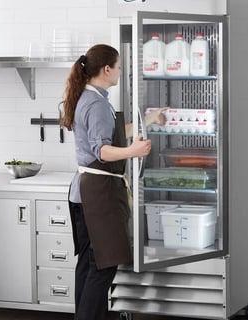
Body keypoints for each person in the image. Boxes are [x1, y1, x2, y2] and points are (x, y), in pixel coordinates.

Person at [60, 44, 166, 320]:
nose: (121, 71)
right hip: (97, 195)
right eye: (119, 66)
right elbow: (102, 151)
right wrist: (134, 151)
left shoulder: (89, 96)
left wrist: (149, 120)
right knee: (102, 266)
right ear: (107, 70)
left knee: (88, 264)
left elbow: (111, 132)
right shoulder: (95, 103)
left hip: (84, 192)